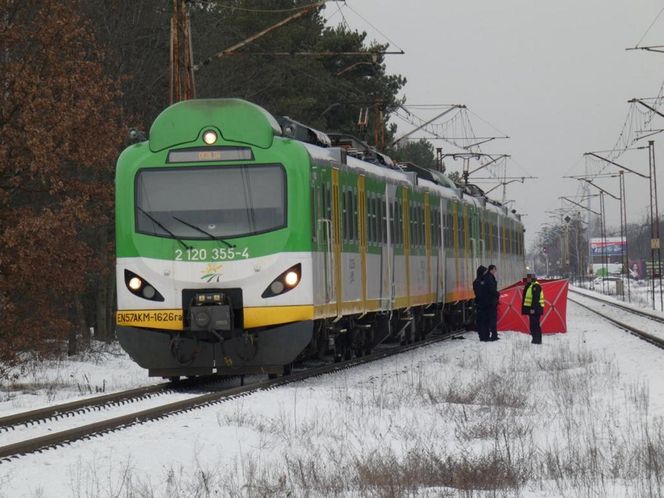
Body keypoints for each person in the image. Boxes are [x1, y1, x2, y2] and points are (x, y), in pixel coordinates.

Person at [522, 273, 545, 344]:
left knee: (535, 325)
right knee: (533, 325)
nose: (527, 279)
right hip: (533, 309)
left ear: (532, 278)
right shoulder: (531, 285)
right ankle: (535, 339)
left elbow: (535, 298)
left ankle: (537, 340)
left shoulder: (536, 286)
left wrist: (532, 309)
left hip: (535, 309)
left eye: (529, 278)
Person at [483, 264, 500, 341]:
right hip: (491, 301)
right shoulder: (489, 278)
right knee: (492, 318)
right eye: (495, 270)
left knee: (490, 318)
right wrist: (497, 294)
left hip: (489, 301)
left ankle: (492, 335)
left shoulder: (488, 277)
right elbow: (491, 289)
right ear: (492, 269)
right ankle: (493, 335)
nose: (495, 271)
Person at [473, 265, 489, 341]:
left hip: (482, 303)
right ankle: (483, 336)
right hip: (482, 303)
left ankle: (485, 335)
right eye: (485, 272)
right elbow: (479, 293)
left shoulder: (478, 281)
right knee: (482, 320)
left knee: (485, 320)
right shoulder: (478, 282)